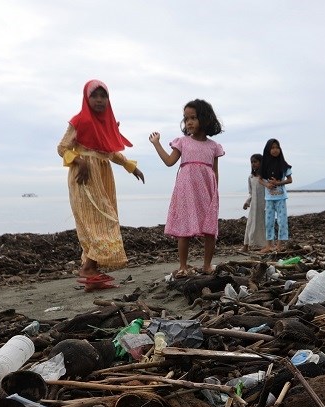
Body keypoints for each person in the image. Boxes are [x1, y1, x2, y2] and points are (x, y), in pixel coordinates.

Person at [57, 80, 144, 291]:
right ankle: (88, 268)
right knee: (102, 220)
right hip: (84, 176)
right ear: (87, 98)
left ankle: (92, 280)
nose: (99, 100)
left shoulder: (106, 124)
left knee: (100, 220)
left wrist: (131, 167)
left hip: (103, 175)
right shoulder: (79, 121)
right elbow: (62, 148)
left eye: (103, 96)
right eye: (94, 96)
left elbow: (110, 152)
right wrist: (79, 161)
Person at [150, 99, 224, 277]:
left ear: (205, 119)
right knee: (184, 229)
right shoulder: (182, 142)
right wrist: (156, 143)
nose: (189, 122)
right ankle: (183, 266)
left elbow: (214, 172)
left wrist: (215, 193)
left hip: (207, 191)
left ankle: (207, 265)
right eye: (186, 118)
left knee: (210, 230)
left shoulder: (213, 147)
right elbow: (169, 162)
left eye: (193, 118)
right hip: (186, 191)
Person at [259, 138, 293, 254]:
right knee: (269, 222)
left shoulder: (284, 165)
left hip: (281, 198)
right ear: (268, 150)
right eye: (272, 148)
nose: (275, 150)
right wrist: (267, 185)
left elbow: (290, 180)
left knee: (282, 221)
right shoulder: (264, 165)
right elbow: (260, 180)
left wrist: (278, 183)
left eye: (277, 147)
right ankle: (269, 245)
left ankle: (279, 245)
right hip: (269, 198)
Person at [242, 154, 267, 252]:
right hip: (253, 206)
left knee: (263, 224)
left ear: (261, 163)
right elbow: (251, 193)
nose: (253, 164)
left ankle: (264, 245)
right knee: (249, 224)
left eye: (256, 162)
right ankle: (246, 245)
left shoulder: (265, 177)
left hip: (263, 205)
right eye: (252, 162)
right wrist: (247, 202)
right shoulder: (251, 177)